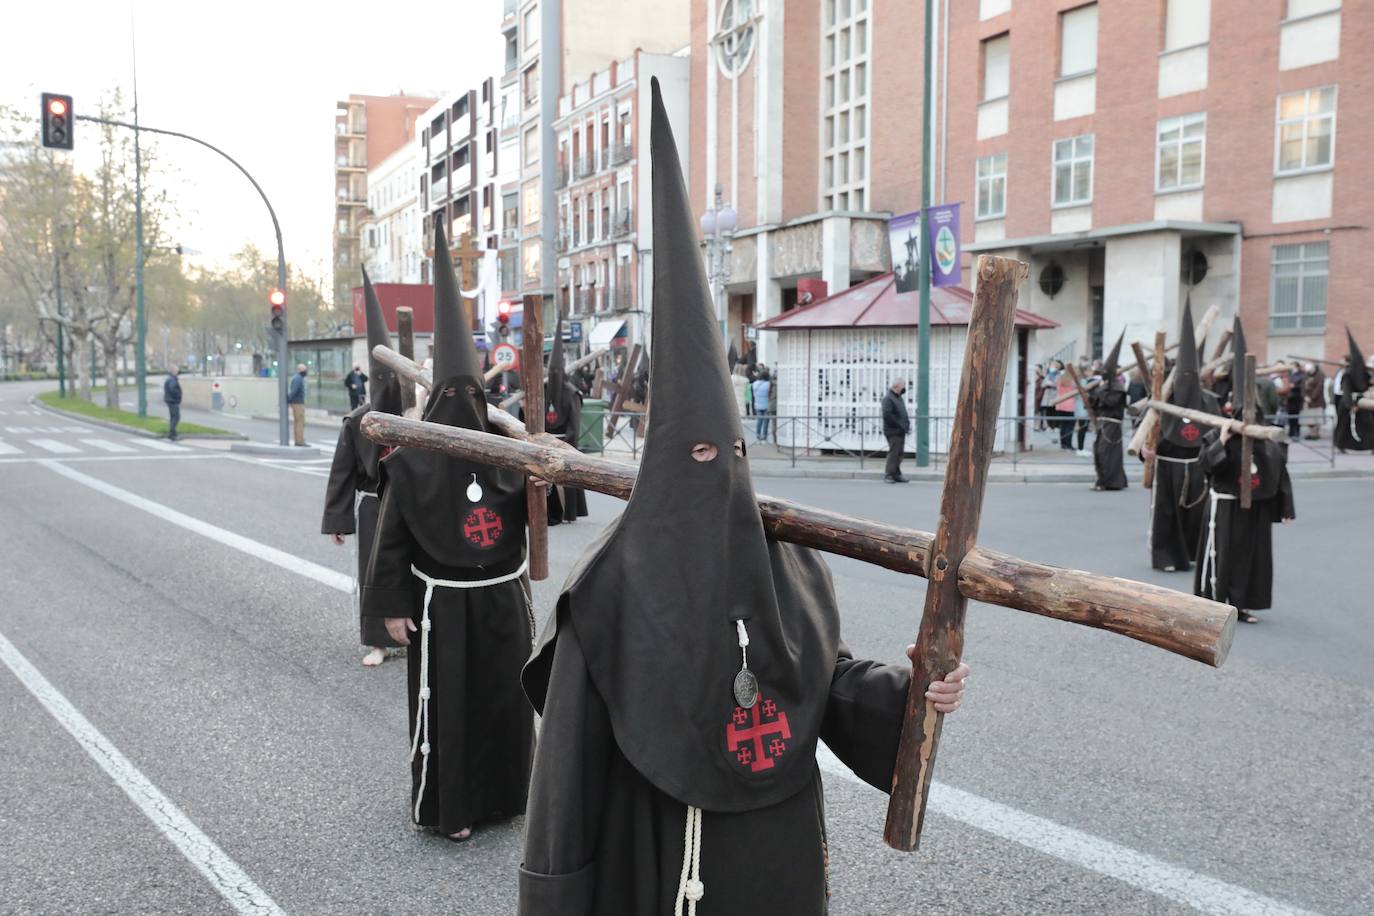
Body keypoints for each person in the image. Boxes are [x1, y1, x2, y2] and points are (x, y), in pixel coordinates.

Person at [516, 84, 968, 914]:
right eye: (694, 454)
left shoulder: (781, 558)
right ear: (658, 467)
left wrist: (913, 695)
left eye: (726, 453)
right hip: (661, 858)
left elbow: (820, 681)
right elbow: (564, 791)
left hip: (776, 857)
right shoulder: (608, 595)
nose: (714, 469)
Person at [362, 223, 533, 842]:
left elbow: (553, 511)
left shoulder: (509, 457)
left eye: (471, 393)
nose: (462, 401)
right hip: (442, 607)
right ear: (439, 401)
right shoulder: (410, 462)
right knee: (450, 707)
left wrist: (547, 465)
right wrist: (390, 607)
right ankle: (450, 809)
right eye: (453, 393)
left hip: (504, 600)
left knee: (503, 701)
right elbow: (392, 541)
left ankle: (504, 796)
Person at [322, 270, 404, 668]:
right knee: (375, 572)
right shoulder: (356, 421)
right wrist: (339, 518)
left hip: (414, 504)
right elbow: (342, 473)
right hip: (375, 506)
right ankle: (378, 641)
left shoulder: (417, 416)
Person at [1193, 319, 1295, 625]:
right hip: (1225, 507)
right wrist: (1222, 441)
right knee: (1221, 557)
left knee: (1250, 559)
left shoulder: (1268, 444)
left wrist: (1286, 507)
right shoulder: (1219, 436)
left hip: (1254, 512)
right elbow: (1208, 466)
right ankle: (1213, 602)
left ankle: (1242, 604)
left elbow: (1280, 474)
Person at [1141, 300, 1216, 572]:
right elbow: (1145, 431)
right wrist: (1145, 453)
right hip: (1167, 466)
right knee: (1166, 513)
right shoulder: (1163, 399)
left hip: (1196, 465)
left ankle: (1193, 554)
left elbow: (1215, 435)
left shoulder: (1209, 402)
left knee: (1195, 511)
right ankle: (1166, 557)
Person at [540, 315, 590, 525]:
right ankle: (550, 512)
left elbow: (574, 424)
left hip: (565, 441)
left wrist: (566, 442)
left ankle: (569, 512)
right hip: (546, 440)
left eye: (557, 373)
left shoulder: (572, 394)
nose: (554, 376)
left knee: (567, 479)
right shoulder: (543, 390)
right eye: (551, 373)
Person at [1087, 333, 1128, 491]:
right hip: (1102, 423)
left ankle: (1110, 482)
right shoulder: (1104, 387)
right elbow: (1098, 404)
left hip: (1112, 425)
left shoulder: (1117, 388)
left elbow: (1111, 402)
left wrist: (1100, 391)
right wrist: (1090, 398)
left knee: (1107, 453)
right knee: (1099, 451)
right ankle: (1103, 480)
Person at [1333, 329, 1373, 453]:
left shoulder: (1365, 373)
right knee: (1343, 426)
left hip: (1363, 402)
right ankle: (1340, 445)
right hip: (1348, 403)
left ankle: (1371, 445)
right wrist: (1351, 405)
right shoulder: (1348, 375)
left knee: (1368, 425)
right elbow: (1346, 391)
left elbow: (1368, 384)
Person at [882, 378, 911, 484]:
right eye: (903, 386)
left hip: (900, 430)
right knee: (894, 453)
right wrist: (900, 425)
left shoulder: (898, 398)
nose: (904, 388)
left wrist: (906, 425)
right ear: (897, 386)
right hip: (893, 431)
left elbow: (902, 413)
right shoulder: (888, 399)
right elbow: (887, 415)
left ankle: (896, 474)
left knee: (899, 453)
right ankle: (888, 474)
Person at [1302, 362, 1325, 440]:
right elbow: (1303, 386)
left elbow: (1319, 387)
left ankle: (1315, 434)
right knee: (1309, 418)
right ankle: (1311, 433)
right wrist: (1304, 396)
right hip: (1307, 400)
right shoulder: (1306, 375)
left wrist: (1312, 397)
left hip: (1316, 401)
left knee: (1316, 418)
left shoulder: (1320, 375)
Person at [288, 363, 308, 446]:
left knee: (298, 422)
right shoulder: (298, 379)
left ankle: (298, 440)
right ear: (300, 370)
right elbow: (294, 391)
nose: (306, 371)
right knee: (300, 422)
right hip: (298, 403)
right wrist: (289, 399)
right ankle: (300, 441)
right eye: (304, 370)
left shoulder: (297, 378)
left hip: (297, 402)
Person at [163, 365, 182, 441]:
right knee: (176, 417)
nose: (178, 372)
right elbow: (173, 389)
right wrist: (178, 396)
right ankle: (172, 434)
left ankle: (172, 433)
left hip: (170, 400)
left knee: (173, 417)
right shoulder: (172, 380)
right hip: (173, 401)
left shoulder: (170, 379)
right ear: (173, 371)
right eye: (177, 371)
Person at [752, 368, 771, 441]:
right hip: (766, 405)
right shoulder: (768, 384)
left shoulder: (754, 384)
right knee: (766, 421)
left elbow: (754, 395)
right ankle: (764, 436)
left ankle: (758, 435)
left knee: (759, 421)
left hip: (758, 405)